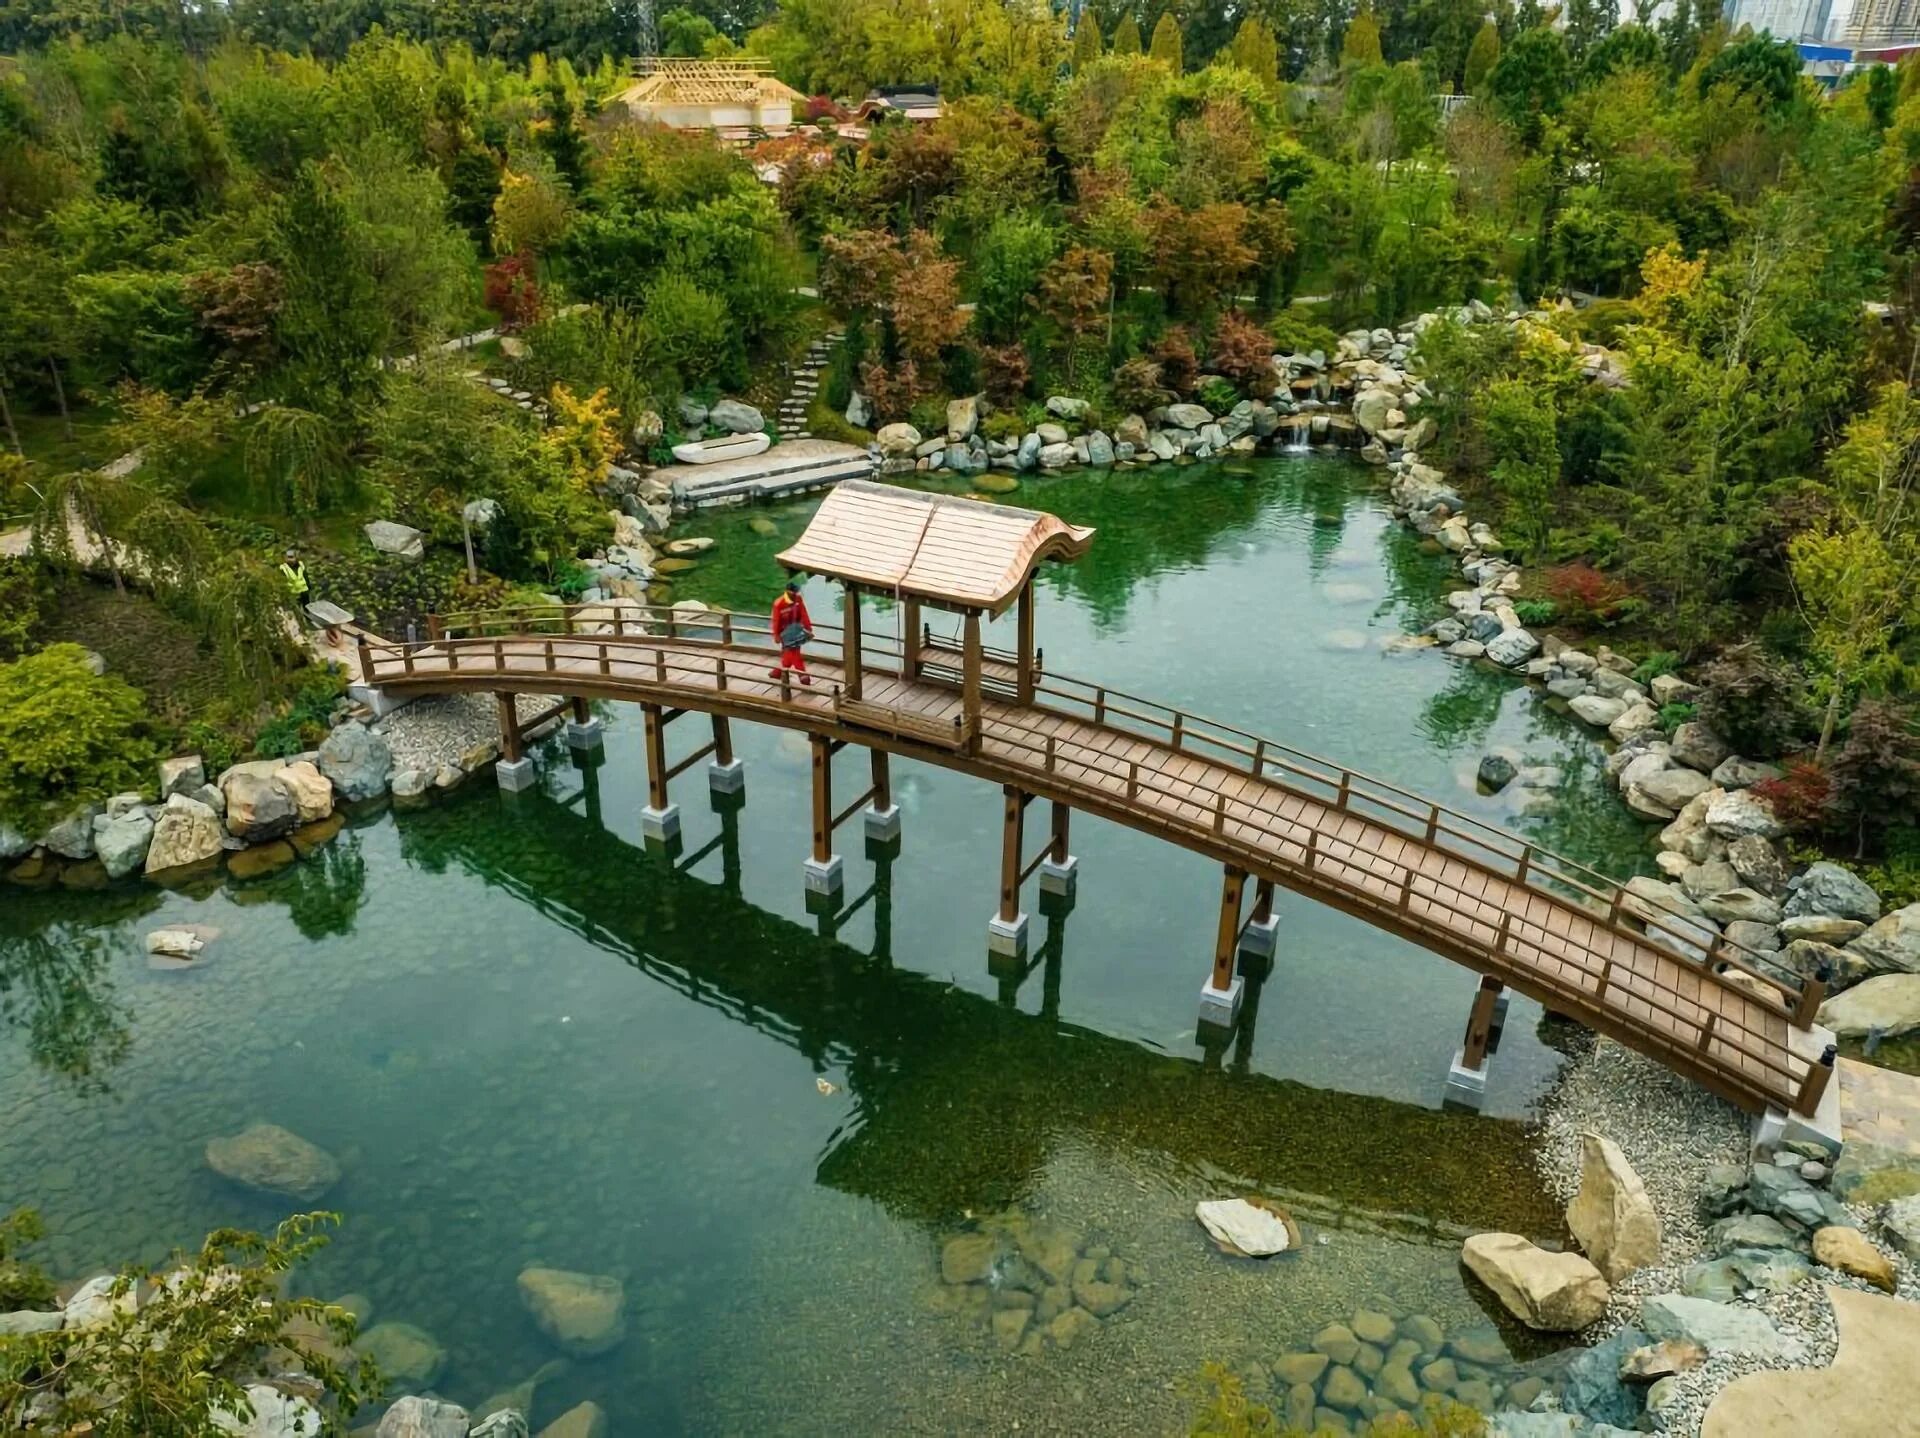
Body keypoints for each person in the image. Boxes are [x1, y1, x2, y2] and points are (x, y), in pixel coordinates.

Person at [771, 579, 813, 685]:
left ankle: (777, 673)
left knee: (789, 654)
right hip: (785, 634)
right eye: (793, 592)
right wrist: (776, 635)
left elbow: (804, 613)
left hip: (797, 631)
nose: (795, 594)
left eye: (796, 592)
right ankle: (803, 676)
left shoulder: (798, 599)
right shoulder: (779, 604)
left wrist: (808, 629)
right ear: (787, 592)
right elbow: (776, 621)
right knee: (794, 654)